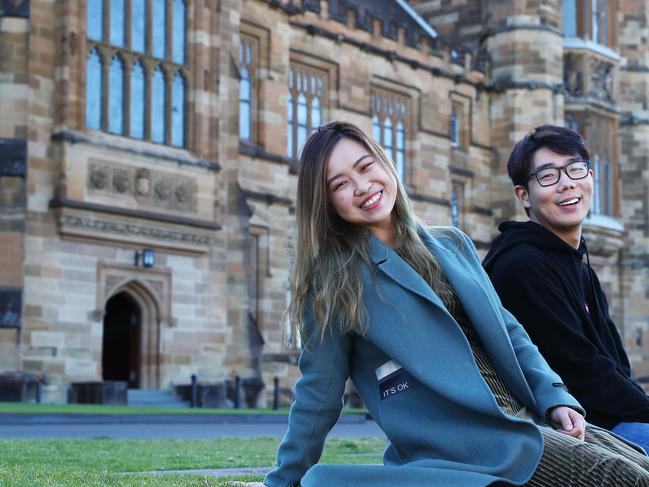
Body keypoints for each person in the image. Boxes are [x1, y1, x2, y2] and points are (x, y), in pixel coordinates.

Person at [243, 121, 649, 487]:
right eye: (340, 184)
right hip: (472, 444)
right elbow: (318, 393)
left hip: (525, 417)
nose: (362, 186)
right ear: (327, 203)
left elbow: (509, 330)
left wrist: (554, 395)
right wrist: (283, 481)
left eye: (366, 167)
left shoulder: (452, 243)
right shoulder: (335, 284)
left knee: (639, 463)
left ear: (385, 165)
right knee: (623, 479)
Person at [483, 124, 649, 454]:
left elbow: (616, 368)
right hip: (558, 432)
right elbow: (582, 377)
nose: (566, 182)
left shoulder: (581, 271)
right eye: (548, 176)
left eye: (575, 169)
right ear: (523, 195)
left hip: (602, 423)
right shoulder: (522, 266)